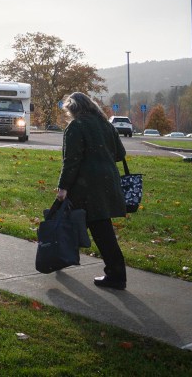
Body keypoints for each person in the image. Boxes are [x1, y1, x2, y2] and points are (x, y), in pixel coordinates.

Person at [56, 92, 128, 290]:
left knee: (93, 227)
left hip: (87, 186)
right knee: (86, 224)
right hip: (108, 182)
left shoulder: (76, 127)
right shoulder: (106, 125)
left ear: (74, 109)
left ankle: (116, 274)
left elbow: (71, 161)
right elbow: (120, 154)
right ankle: (60, 258)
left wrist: (63, 187)